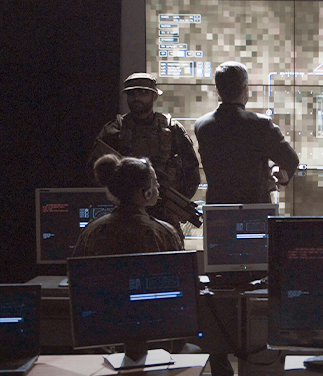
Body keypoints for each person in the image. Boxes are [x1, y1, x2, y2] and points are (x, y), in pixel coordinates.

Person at [89, 72, 200, 236]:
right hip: (124, 215)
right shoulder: (114, 131)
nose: (137, 98)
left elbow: (192, 172)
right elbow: (95, 171)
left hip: (164, 211)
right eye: (132, 94)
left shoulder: (172, 129)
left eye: (143, 93)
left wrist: (175, 203)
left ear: (154, 96)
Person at [194, 61, 300, 204]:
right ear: (245, 89)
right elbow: (290, 159)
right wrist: (276, 172)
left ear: (218, 90)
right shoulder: (261, 125)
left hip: (218, 212)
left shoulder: (202, 126)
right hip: (254, 210)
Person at [73, 154, 182, 257]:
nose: (158, 185)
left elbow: (76, 272)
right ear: (145, 192)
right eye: (155, 181)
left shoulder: (91, 232)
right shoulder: (164, 234)